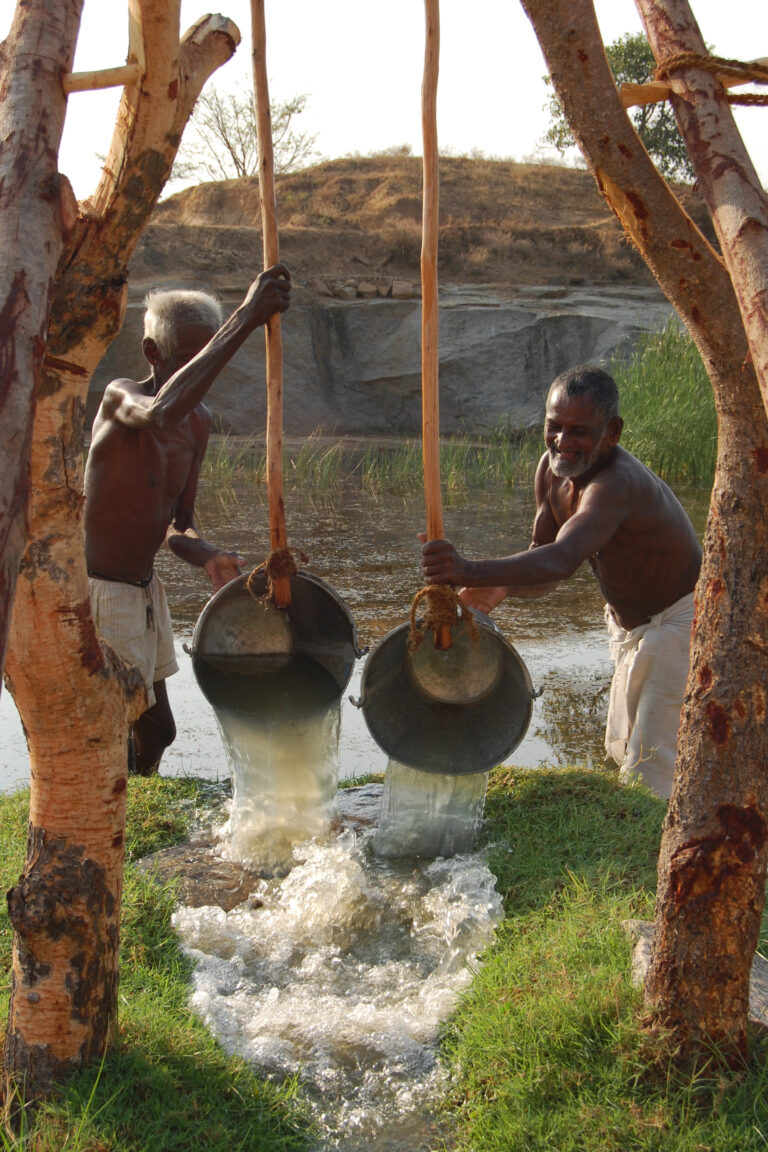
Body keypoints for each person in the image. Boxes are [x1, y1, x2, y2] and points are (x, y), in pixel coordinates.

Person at [420, 365, 701, 799]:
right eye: (554, 427)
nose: (562, 442)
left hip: (682, 623)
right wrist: (503, 586)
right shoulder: (552, 471)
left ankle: (650, 856)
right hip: (632, 625)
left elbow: (562, 560)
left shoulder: (616, 484)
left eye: (579, 431)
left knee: (655, 765)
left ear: (613, 432)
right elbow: (541, 561)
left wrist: (469, 570)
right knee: (629, 751)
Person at [85, 265, 291, 774]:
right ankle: (110, 817)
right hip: (98, 589)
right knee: (111, 724)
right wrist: (245, 318)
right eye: (186, 359)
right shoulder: (123, 398)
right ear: (152, 354)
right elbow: (161, 415)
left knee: (158, 729)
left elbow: (180, 523)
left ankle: (134, 802)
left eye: (210, 356)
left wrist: (210, 556)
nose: (200, 371)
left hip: (142, 588)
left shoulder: (198, 423)